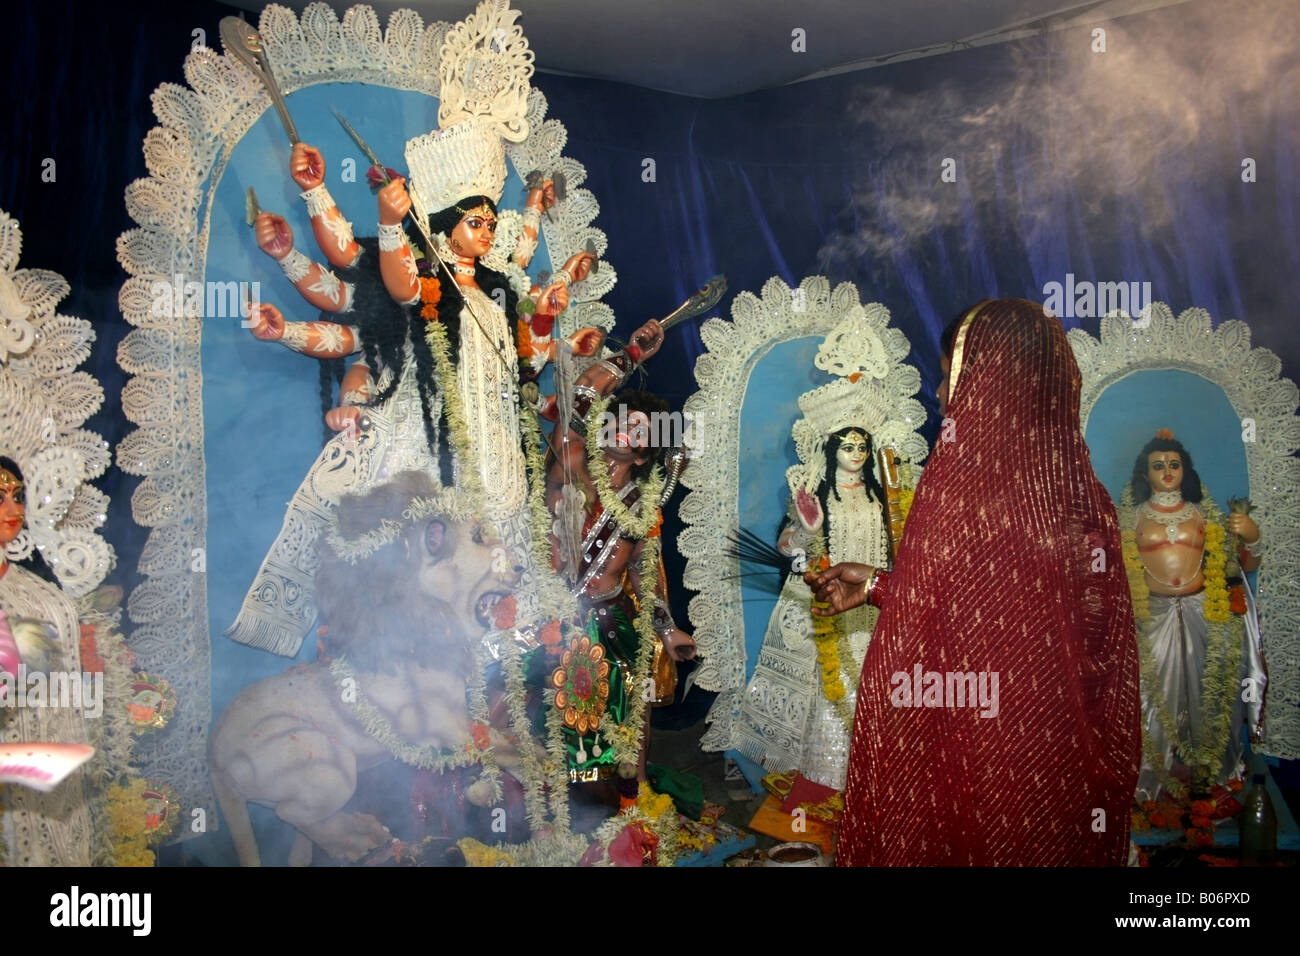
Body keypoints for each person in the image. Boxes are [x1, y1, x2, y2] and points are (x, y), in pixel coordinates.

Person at [808, 299, 1141, 866]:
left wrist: (886, 589)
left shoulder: (958, 491)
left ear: (987, 380)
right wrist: (874, 587)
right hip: (1056, 751)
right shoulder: (1084, 498)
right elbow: (1002, 610)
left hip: (977, 747)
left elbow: (962, 609)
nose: (941, 395)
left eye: (948, 375)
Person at [734, 376, 892, 790]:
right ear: (831, 448)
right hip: (823, 599)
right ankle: (824, 786)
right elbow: (788, 546)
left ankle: (869, 785)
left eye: (862, 447)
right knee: (828, 690)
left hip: (872, 603)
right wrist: (806, 534)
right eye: (848, 446)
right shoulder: (813, 495)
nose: (856, 455)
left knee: (872, 690)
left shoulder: (882, 497)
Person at [544, 387, 695, 795]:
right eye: (624, 419)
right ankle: (564, 800)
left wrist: (667, 631)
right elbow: (572, 414)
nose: (628, 429)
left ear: (645, 455)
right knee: (556, 712)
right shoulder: (571, 466)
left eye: (641, 429)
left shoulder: (643, 507)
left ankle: (634, 796)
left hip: (611, 619)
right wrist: (624, 359)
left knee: (632, 708)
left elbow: (646, 577)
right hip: (557, 616)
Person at [1122, 430, 1266, 799]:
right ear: (1145, 474)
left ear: (1185, 471)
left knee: (1211, 692)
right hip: (1152, 617)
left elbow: (1242, 565)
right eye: (1159, 465)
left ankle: (1211, 772)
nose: (1167, 471)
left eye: (1174, 464)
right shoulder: (1132, 519)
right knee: (1152, 697)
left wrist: (1250, 536)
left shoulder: (1204, 515)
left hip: (1205, 611)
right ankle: (1152, 777)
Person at [0, 457, 92, 866]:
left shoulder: (43, 597)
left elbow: (59, 692)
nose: (14, 510)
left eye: (18, 496)